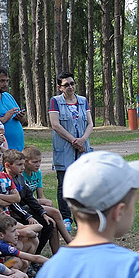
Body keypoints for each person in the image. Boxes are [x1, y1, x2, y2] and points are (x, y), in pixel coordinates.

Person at [48, 73, 93, 233]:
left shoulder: (83, 101)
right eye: (66, 84)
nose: (70, 87)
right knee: (64, 183)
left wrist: (83, 140)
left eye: (72, 83)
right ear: (60, 87)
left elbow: (90, 123)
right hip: (64, 148)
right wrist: (74, 140)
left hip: (82, 148)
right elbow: (55, 124)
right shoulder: (55, 101)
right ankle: (66, 217)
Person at [0, 67, 25, 151]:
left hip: (18, 146)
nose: (5, 84)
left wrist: (21, 117)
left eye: (7, 81)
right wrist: (5, 118)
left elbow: (22, 120)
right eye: (2, 81)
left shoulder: (8, 96)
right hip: (2, 149)